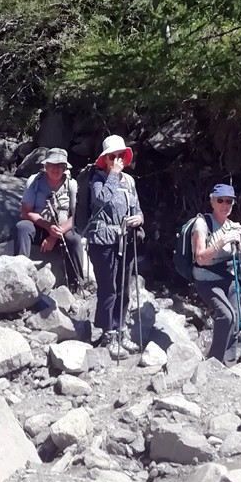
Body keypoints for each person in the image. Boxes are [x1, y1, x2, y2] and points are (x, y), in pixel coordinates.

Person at [84, 135, 144, 358]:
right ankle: (107, 332)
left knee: (123, 288)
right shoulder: (98, 179)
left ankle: (120, 330)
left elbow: (137, 207)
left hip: (125, 240)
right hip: (102, 240)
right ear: (105, 160)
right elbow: (101, 200)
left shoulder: (129, 181)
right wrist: (113, 175)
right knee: (107, 287)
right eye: (113, 156)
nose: (117, 159)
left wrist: (139, 219)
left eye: (120, 156)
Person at [191, 183, 241, 365]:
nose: (225, 204)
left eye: (229, 201)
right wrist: (221, 242)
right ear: (212, 201)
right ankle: (213, 362)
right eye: (220, 200)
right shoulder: (202, 223)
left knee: (236, 319)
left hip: (228, 279)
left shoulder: (232, 225)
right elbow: (200, 258)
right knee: (226, 315)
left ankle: (228, 363)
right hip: (206, 280)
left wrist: (238, 241)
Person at [14, 147, 84, 290]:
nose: (56, 169)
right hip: (40, 226)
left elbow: (77, 216)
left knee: (75, 240)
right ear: (45, 166)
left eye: (60, 166)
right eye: (52, 165)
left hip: (63, 229)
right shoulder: (34, 181)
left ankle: (76, 283)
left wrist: (54, 235)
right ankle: (18, 275)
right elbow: (26, 212)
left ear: (65, 167)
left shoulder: (72, 185)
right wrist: (47, 226)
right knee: (22, 227)